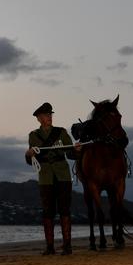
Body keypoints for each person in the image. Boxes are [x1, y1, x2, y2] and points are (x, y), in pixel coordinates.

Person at [25, 102, 80, 255]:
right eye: (46, 115)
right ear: (39, 118)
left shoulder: (61, 132)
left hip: (62, 175)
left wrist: (76, 150)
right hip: (45, 177)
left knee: (64, 209)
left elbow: (70, 154)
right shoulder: (33, 135)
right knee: (48, 211)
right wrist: (28, 154)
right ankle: (50, 247)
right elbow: (31, 160)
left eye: (50, 114)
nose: (49, 117)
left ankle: (67, 246)